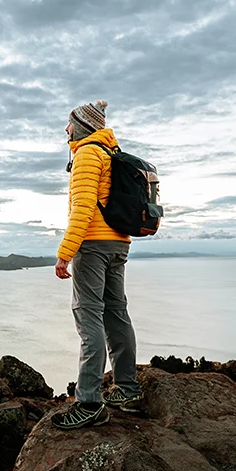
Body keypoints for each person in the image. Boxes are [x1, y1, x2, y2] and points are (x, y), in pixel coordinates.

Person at [50, 100, 141, 429]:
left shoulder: (88, 153)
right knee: (116, 312)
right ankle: (127, 390)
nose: (66, 130)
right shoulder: (109, 152)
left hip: (93, 246)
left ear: (82, 126)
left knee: (88, 319)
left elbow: (84, 208)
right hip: (118, 243)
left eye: (69, 124)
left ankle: (89, 402)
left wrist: (66, 251)